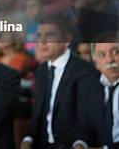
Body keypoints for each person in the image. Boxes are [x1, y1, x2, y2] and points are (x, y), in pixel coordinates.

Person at [21, 15, 94, 149]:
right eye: (39, 35)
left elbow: (86, 117)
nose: (41, 41)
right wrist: (28, 138)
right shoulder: (40, 71)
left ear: (66, 40)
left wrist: (80, 143)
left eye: (49, 35)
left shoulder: (85, 71)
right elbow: (38, 111)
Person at [73, 33, 119, 148]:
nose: (109, 60)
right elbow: (84, 128)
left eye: (116, 52)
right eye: (102, 55)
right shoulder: (87, 87)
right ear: (96, 63)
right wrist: (80, 144)